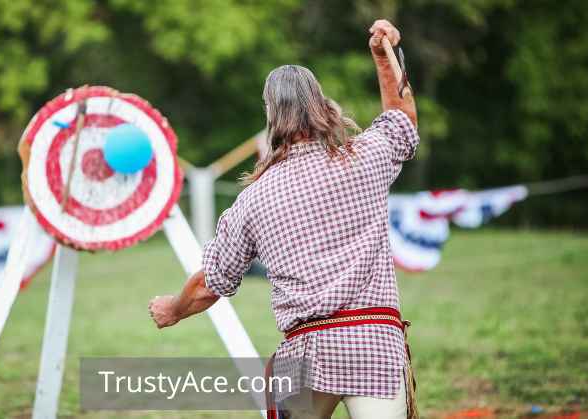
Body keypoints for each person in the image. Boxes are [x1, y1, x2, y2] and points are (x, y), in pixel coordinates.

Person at [149, 19, 419, 419]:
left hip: (305, 353)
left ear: (270, 114)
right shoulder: (367, 158)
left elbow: (211, 283)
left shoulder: (253, 199)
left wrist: (173, 308)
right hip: (376, 344)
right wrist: (383, 57)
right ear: (321, 102)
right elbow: (402, 119)